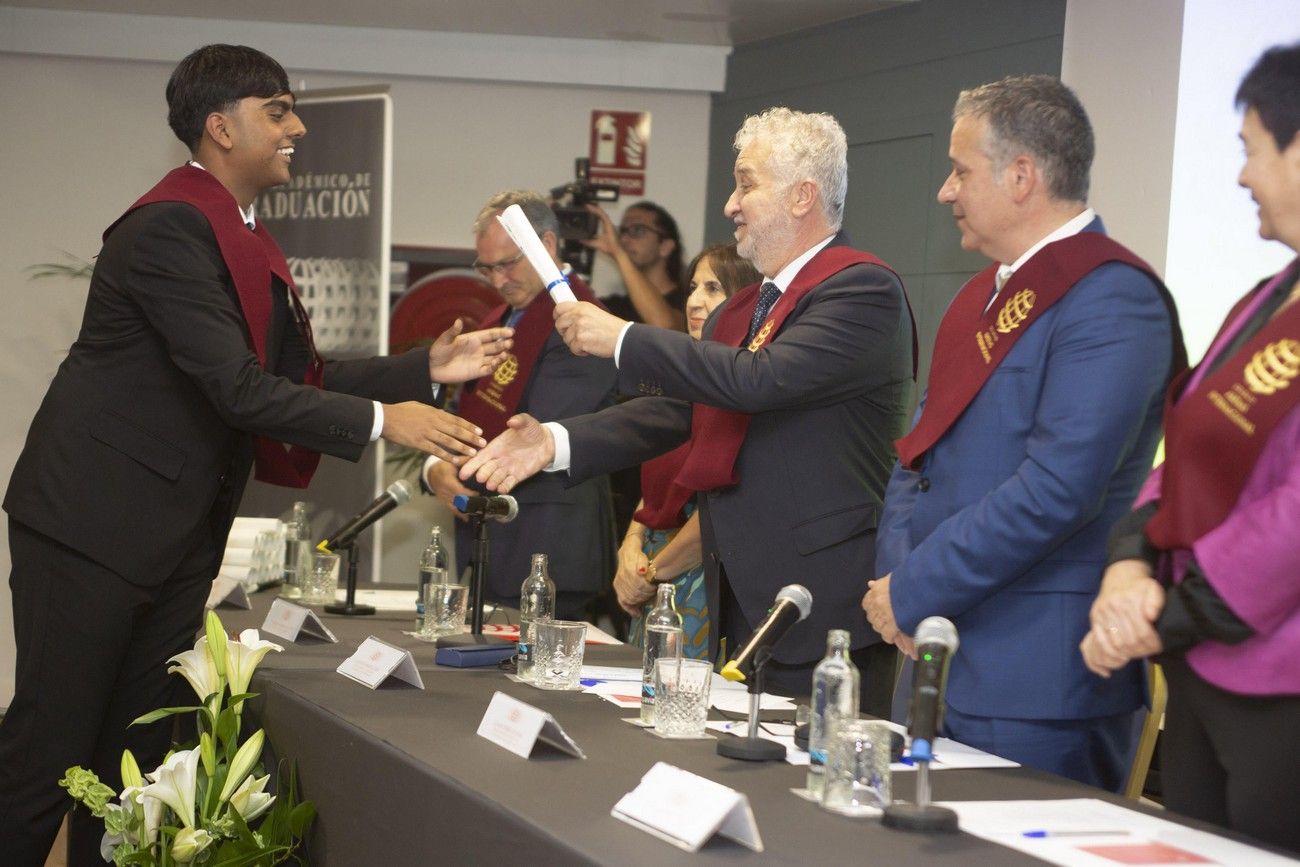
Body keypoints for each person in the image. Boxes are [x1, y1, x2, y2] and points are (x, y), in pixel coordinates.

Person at [0, 44, 511, 865]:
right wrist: (389, 419)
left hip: (168, 537)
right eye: (277, 109)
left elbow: (291, 377)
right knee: (49, 751)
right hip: (92, 529)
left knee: (133, 762)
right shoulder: (170, 227)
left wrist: (423, 368)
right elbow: (239, 389)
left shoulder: (234, 232)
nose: (297, 126)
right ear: (219, 126)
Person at [460, 108, 916, 716]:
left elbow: (759, 380)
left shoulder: (861, 290)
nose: (731, 204)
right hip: (739, 597)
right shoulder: (747, 308)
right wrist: (554, 441)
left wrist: (622, 337)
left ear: (804, 196)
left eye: (746, 184)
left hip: (822, 608)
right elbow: (682, 410)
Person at [863, 75, 1185, 792]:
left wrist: (915, 586)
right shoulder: (977, 297)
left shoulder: (1113, 298)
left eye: (960, 170)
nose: (946, 191)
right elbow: (915, 460)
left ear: (1020, 176)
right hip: (929, 651)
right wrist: (897, 590)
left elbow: (1058, 489)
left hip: (1034, 685)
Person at [1080, 43, 1300, 852]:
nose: (1242, 176)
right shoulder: (1267, 297)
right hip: (1205, 667)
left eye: (1251, 150)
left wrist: (1165, 616)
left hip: (1281, 688)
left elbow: (1293, 519)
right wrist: (1130, 563)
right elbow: (1192, 445)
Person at [422, 191, 618, 620]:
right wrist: (435, 463)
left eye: (508, 263)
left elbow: (539, 430)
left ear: (546, 246)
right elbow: (469, 412)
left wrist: (455, 461)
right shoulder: (500, 318)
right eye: (487, 267)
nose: (497, 280)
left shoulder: (583, 320)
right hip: (496, 533)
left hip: (550, 540)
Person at [617, 243, 761, 658]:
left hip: (699, 575)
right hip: (653, 572)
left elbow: (722, 508)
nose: (695, 301)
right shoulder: (685, 379)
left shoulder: (746, 386)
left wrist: (651, 572)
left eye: (714, 288)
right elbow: (662, 483)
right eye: (693, 287)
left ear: (746, 299)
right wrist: (631, 544)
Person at [585, 201, 688, 331]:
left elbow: (664, 327)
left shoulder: (689, 300)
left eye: (638, 230)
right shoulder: (616, 306)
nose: (623, 240)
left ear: (665, 247)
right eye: (622, 231)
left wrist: (618, 253)